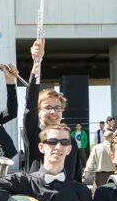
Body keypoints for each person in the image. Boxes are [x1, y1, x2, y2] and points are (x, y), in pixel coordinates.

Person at [22, 40, 83, 181]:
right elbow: (30, 104)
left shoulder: (70, 141)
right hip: (36, 197)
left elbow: (76, 176)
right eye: (48, 107)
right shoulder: (33, 134)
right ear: (38, 111)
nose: (53, 112)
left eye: (57, 108)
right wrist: (37, 62)